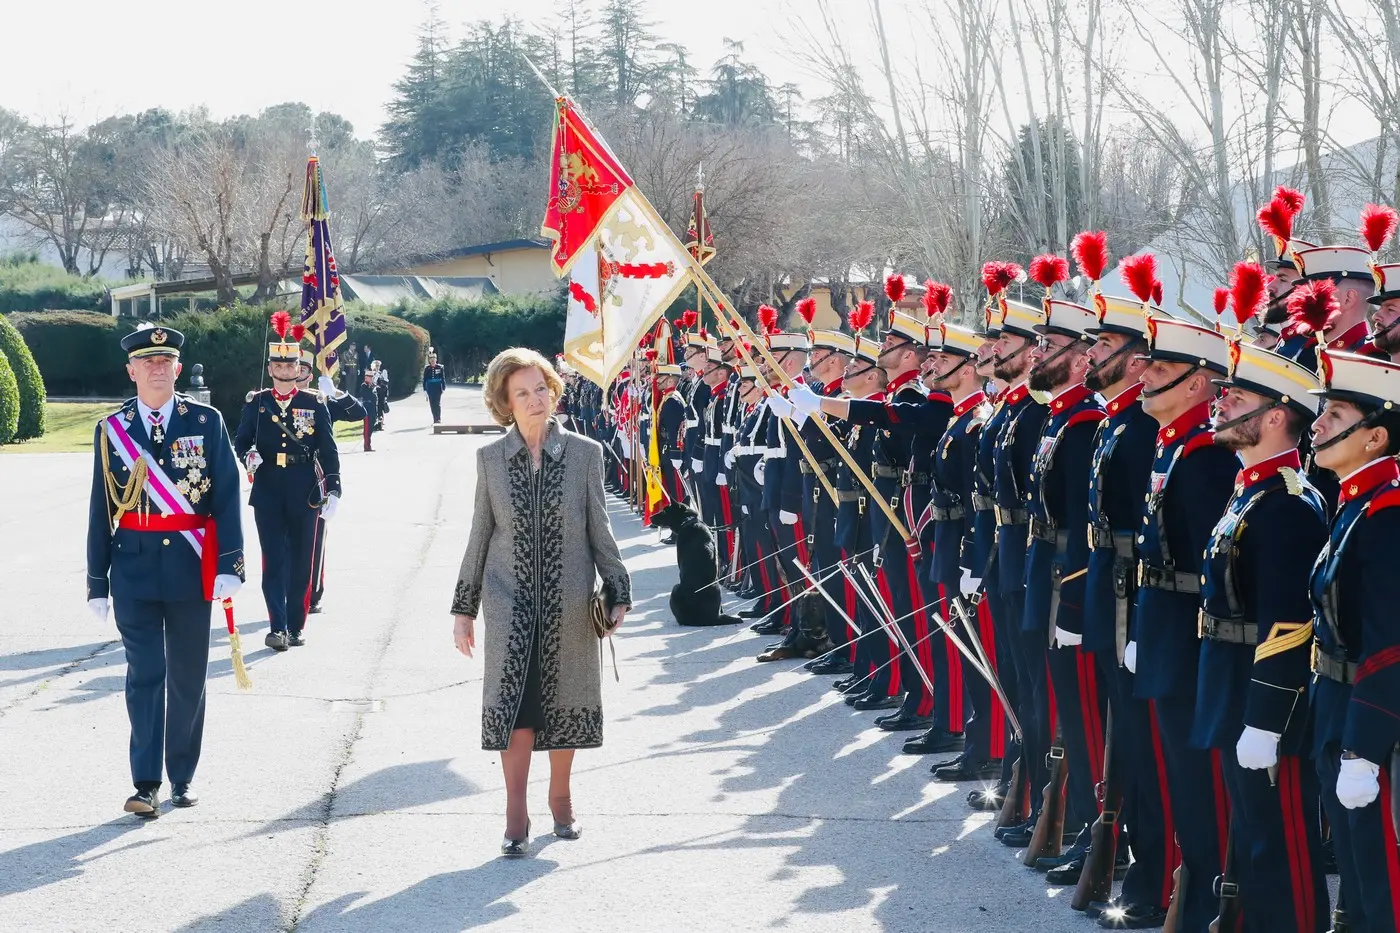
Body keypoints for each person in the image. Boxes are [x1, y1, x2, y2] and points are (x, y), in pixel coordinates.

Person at [451, 347, 631, 858]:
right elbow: (479, 535)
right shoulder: (489, 460)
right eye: (522, 393)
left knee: (566, 700)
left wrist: (617, 589)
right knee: (516, 707)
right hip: (507, 603)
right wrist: (464, 609)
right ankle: (514, 810)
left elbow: (601, 528)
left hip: (569, 601)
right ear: (505, 402)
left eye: (541, 389)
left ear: (554, 391)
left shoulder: (585, 453)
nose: (535, 400)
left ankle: (561, 798)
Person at [1199, 337, 1331, 932]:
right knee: (1252, 833)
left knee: (1280, 842)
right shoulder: (1250, 488)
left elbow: (1288, 622)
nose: (1222, 404)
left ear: (1276, 416)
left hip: (1265, 696)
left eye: (1237, 397)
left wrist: (1266, 717)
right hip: (1232, 680)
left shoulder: (1286, 503)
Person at [86, 323, 244, 816]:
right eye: (146, 361)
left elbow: (226, 496)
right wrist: (97, 580)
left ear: (177, 368)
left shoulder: (206, 421)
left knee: (188, 674)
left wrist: (230, 563)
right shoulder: (112, 430)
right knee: (145, 672)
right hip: (132, 567)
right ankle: (146, 782)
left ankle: (181, 775)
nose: (157, 368)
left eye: (165, 360)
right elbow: (99, 506)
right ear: (131, 370)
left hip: (190, 565)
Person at [1307, 350, 1400, 932]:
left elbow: (1391, 640)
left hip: (1371, 721)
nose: (1316, 424)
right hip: (1336, 703)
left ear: (1375, 438)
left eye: (1336, 413)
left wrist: (1363, 749)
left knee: (1381, 883)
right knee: (1361, 889)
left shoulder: (1387, 513)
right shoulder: (1356, 503)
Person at [235, 313, 342, 651]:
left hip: (304, 490)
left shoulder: (314, 402)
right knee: (273, 561)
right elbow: (241, 440)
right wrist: (248, 456)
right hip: (267, 489)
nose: (284, 371)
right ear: (270, 369)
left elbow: (327, 447)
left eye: (290, 366)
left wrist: (335, 487)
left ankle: (296, 627)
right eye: (278, 366)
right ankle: (276, 627)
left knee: (300, 561)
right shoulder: (258, 401)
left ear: (299, 369)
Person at [296, 352, 365, 614]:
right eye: (292, 368)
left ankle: (312, 593)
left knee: (314, 537)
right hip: (283, 476)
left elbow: (359, 413)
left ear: (308, 375)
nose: (296, 375)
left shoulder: (320, 400)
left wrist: (335, 392)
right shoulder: (271, 400)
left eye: (301, 370)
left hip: (316, 477)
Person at [356, 371, 379, 452]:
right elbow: (366, 394)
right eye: (370, 377)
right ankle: (367, 446)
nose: (372, 379)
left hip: (373, 408)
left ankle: (368, 444)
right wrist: (371, 387)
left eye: (372, 377)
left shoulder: (372, 385)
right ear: (366, 377)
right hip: (367, 408)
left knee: (371, 427)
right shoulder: (364, 385)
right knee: (367, 428)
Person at [423, 348, 447, 424]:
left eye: (434, 359)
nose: (433, 361)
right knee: (432, 404)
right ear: (429, 360)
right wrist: (425, 390)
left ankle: (438, 419)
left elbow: (442, 378)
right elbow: (425, 379)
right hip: (430, 388)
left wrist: (443, 387)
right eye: (431, 359)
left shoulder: (440, 367)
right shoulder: (427, 368)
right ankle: (434, 419)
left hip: (437, 388)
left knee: (437, 403)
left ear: (436, 359)